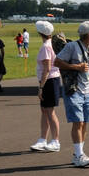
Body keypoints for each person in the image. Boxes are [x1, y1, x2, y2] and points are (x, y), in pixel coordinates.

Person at [55, 21, 89, 167]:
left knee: (85, 123)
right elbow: (57, 62)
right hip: (74, 90)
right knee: (78, 122)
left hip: (87, 91)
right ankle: (78, 155)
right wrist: (76, 66)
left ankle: (79, 153)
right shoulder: (71, 47)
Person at [30, 20, 62, 152]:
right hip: (50, 80)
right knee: (45, 110)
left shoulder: (45, 47)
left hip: (49, 81)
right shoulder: (51, 44)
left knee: (49, 111)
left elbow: (47, 68)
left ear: (40, 33)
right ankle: (43, 139)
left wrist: (41, 87)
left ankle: (55, 141)